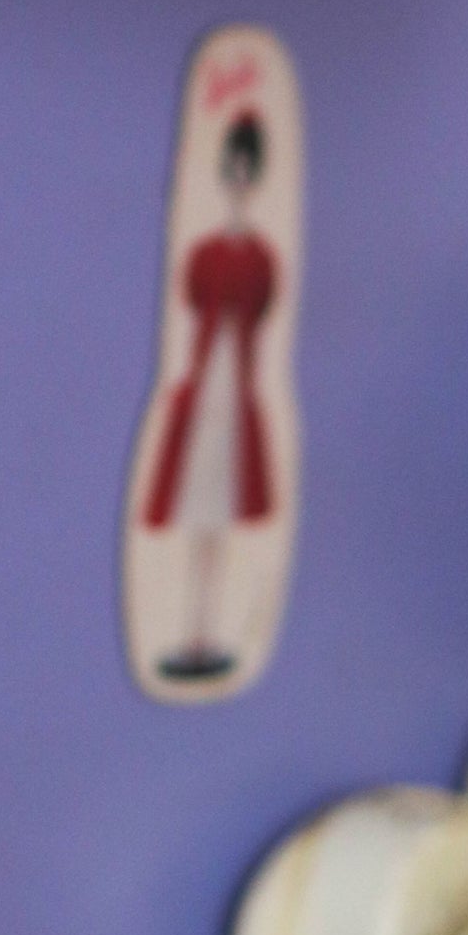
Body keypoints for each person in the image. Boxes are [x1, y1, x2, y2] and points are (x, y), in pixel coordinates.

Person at [142, 110, 279, 681]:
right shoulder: (203, 253)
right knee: (195, 515)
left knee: (220, 522)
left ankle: (207, 631)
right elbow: (193, 302)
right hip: (205, 392)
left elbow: (262, 310)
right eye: (234, 168)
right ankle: (188, 632)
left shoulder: (264, 259)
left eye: (249, 170)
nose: (240, 180)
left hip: (234, 396)